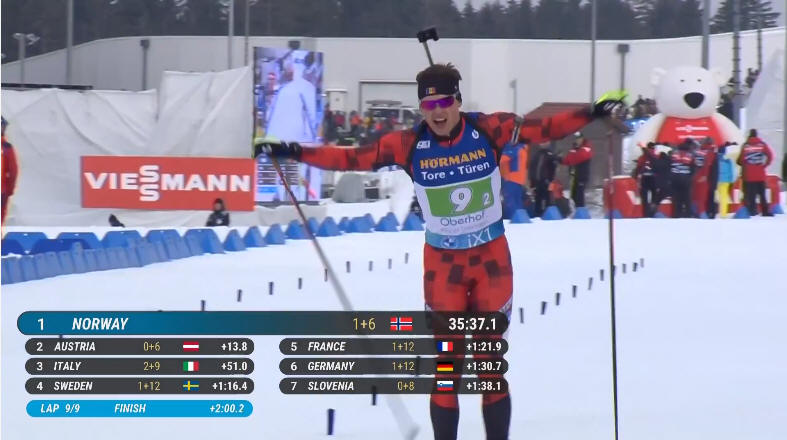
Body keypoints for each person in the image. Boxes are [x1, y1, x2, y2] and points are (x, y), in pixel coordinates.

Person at [254, 62, 624, 440]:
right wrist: (292, 151)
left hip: (490, 260)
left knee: (490, 365)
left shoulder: (489, 128)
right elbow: (351, 158)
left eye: (444, 102)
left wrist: (592, 112)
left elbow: (543, 129)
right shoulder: (408, 144)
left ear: (458, 101)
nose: (437, 112)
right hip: (444, 266)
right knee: (447, 367)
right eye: (428, 105)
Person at [737, 129, 773, 216]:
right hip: (760, 174)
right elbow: (770, 156)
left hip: (749, 175)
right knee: (762, 194)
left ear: (749, 135)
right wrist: (764, 165)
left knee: (751, 195)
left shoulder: (745, 145)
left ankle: (752, 210)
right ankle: (765, 211)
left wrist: (745, 165)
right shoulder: (762, 145)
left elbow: (741, 160)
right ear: (757, 135)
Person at [560, 132, 593, 209]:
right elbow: (568, 160)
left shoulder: (587, 148)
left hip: (582, 176)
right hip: (574, 176)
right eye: (576, 139)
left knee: (579, 195)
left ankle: (581, 210)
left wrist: (572, 154)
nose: (577, 140)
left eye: (579, 139)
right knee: (574, 195)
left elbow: (578, 158)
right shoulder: (574, 149)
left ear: (582, 139)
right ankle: (578, 210)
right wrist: (559, 159)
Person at [528, 143, 558, 217]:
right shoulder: (537, 154)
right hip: (537, 181)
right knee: (538, 199)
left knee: (547, 198)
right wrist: (532, 182)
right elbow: (532, 168)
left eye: (545, 142)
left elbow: (553, 169)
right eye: (542, 143)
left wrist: (550, 180)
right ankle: (537, 215)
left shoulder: (550, 155)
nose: (543, 144)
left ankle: (547, 214)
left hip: (546, 181)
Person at [670, 140, 695, 218]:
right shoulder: (689, 155)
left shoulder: (674, 155)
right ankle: (688, 215)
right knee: (687, 199)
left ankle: (676, 215)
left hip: (675, 179)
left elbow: (671, 166)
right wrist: (690, 177)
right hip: (686, 179)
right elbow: (693, 168)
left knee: (677, 199)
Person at [632, 142, 658, 217]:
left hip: (647, 178)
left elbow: (638, 168)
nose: (653, 150)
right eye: (652, 148)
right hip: (652, 179)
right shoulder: (655, 156)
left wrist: (635, 178)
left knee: (646, 198)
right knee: (652, 198)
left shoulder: (643, 157)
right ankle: (651, 214)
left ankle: (647, 214)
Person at [2, 117, 19, 225]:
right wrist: (9, 190)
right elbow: (13, 172)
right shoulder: (7, 148)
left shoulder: (7, 148)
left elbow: (13, 172)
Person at [717, 142, 737, 217]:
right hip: (726, 181)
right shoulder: (728, 160)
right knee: (724, 196)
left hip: (718, 180)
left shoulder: (716, 159)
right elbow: (732, 171)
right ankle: (723, 213)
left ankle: (722, 212)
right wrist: (732, 180)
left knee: (721, 196)